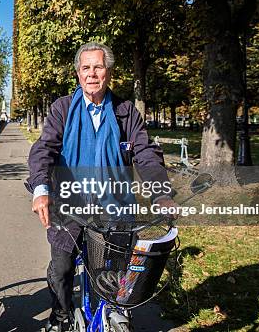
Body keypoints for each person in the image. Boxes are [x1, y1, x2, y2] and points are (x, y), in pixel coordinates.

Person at [26, 41, 179, 331]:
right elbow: (44, 149)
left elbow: (145, 153)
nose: (92, 73)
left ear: (108, 72)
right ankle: (60, 317)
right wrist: (41, 189)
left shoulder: (125, 111)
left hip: (114, 205)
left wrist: (160, 194)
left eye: (98, 67)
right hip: (69, 204)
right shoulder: (62, 108)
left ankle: (114, 313)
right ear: (78, 74)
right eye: (86, 68)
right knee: (62, 268)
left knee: (114, 274)